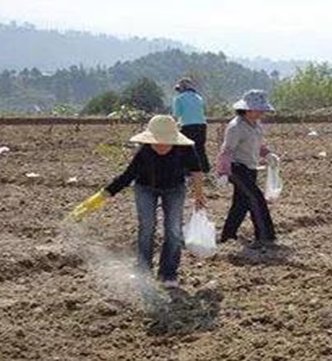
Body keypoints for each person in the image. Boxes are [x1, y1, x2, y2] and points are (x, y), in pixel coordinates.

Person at [103, 115, 205, 287]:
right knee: (147, 227)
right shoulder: (144, 152)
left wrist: (199, 194)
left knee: (173, 229)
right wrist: (107, 193)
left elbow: (196, 170)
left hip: (175, 189)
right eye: (156, 142)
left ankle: (168, 273)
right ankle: (143, 269)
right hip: (145, 188)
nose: (161, 146)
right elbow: (128, 175)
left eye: (165, 142)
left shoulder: (186, 149)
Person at [216, 90, 279, 248]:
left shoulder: (256, 125)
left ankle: (227, 236)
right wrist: (223, 172)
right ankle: (265, 236)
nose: (262, 112)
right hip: (236, 168)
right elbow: (227, 150)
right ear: (247, 109)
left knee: (241, 203)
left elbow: (257, 145)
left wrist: (268, 154)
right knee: (256, 199)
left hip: (251, 168)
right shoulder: (236, 127)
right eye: (259, 109)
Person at [172, 76, 211, 173]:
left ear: (181, 89)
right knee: (200, 148)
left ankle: (187, 171)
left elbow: (176, 115)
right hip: (202, 126)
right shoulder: (199, 98)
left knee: (185, 148)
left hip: (187, 126)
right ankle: (205, 169)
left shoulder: (179, 98)